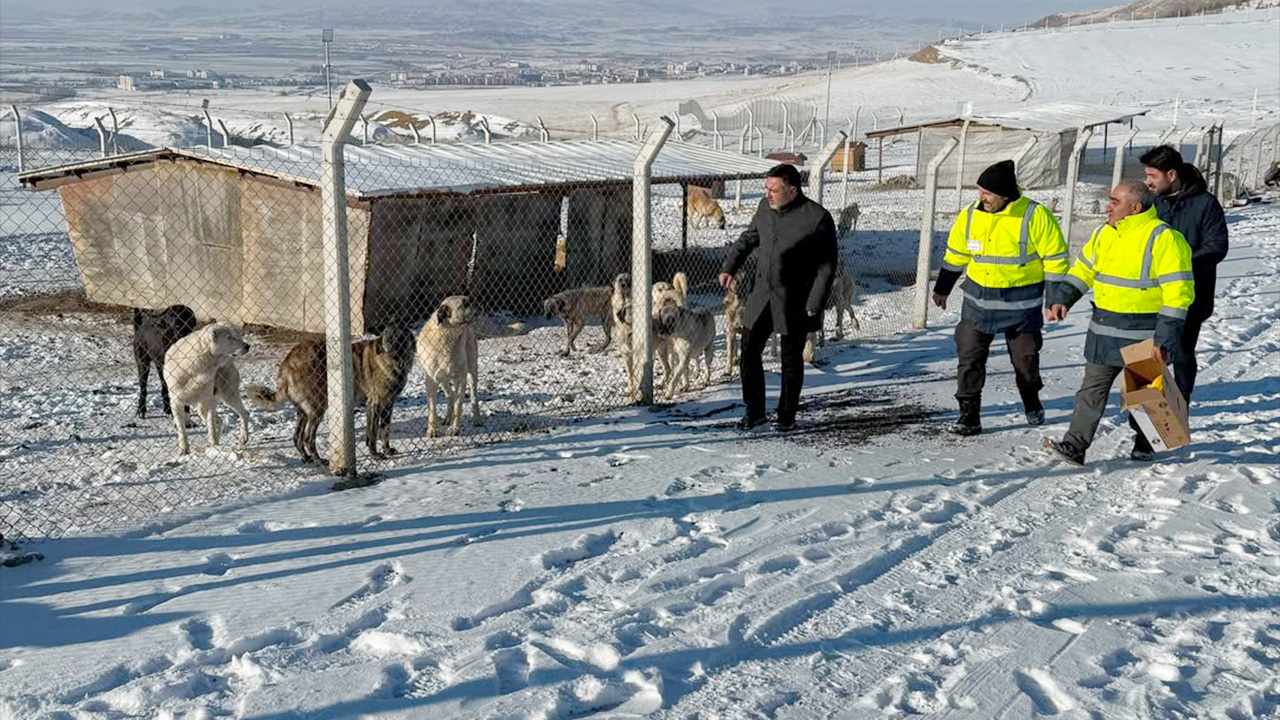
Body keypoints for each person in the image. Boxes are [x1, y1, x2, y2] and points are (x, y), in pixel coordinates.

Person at [1043, 182, 1194, 465]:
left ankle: (1145, 443)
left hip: (1144, 334)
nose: (1108, 206)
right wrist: (1063, 297)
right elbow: (1084, 270)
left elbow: (1179, 293)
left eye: (1114, 201)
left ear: (1135, 208)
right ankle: (1075, 446)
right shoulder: (1104, 233)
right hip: (1104, 330)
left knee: (1144, 393)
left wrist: (1164, 338)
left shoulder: (1164, 239)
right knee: (1090, 391)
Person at [931, 159, 1069, 436]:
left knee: (1025, 361)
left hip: (1022, 307)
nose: (981, 198)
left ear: (1006, 194)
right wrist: (942, 288)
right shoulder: (970, 215)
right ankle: (969, 417)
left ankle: (1031, 400)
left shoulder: (1035, 216)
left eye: (987, 193)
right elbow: (956, 255)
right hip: (977, 305)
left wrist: (1054, 299)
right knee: (969, 358)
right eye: (979, 191)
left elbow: (1055, 260)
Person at [719, 164, 837, 432]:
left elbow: (826, 266)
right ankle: (754, 412)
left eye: (774, 190)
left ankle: (786, 416)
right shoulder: (764, 208)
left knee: (791, 359)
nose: (767, 194)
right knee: (748, 352)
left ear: (792, 190)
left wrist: (815, 302)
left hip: (796, 300)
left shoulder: (817, 218)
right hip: (762, 296)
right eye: (766, 188)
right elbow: (748, 239)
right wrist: (729, 267)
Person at [1140, 145, 1228, 402]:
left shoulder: (1205, 204)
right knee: (1146, 354)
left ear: (1171, 175)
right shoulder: (1150, 203)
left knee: (1181, 352)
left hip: (1190, 296)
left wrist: (1179, 267)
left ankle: (1179, 407)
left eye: (1152, 176)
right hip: (1150, 295)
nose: (1148, 182)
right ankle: (1147, 419)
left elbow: (1216, 247)